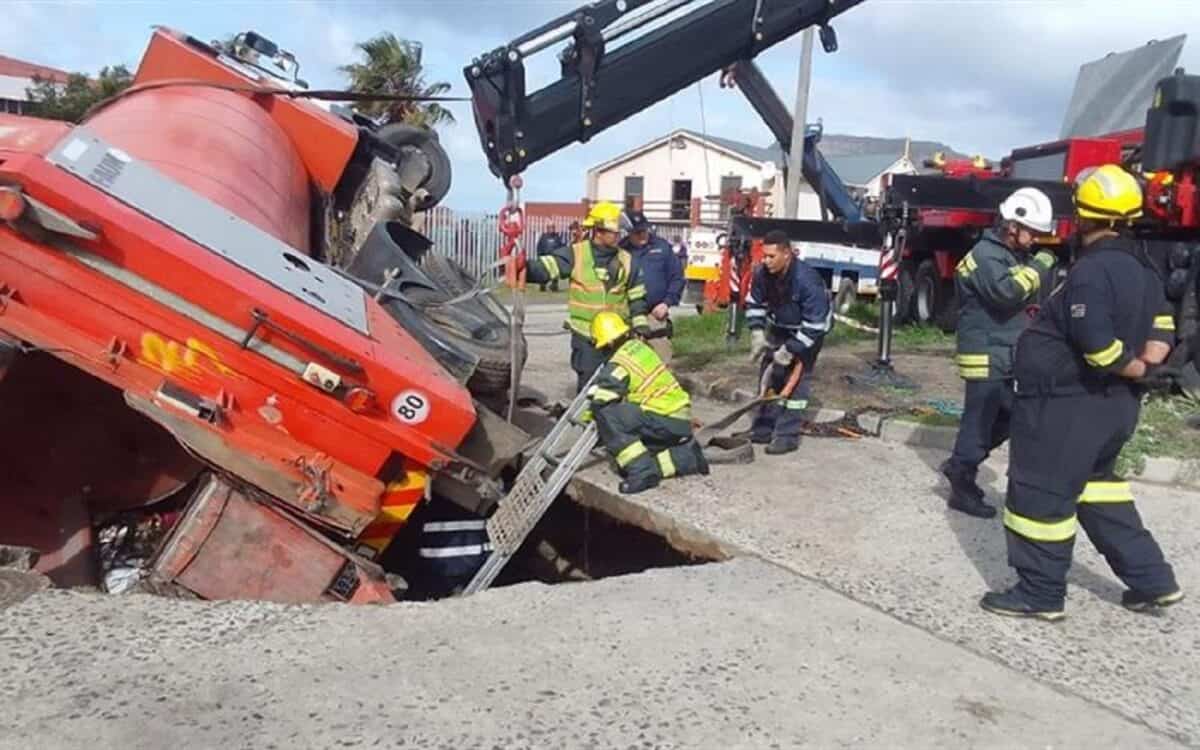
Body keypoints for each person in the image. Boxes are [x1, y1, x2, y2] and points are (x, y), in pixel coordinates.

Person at [981, 164, 1183, 621]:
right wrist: (1151, 364)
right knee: (1099, 492)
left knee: (1039, 495)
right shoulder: (1144, 268)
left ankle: (1040, 593)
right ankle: (1153, 581)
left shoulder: (1092, 271)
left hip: (1066, 407)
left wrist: (1134, 370)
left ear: (1084, 215)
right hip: (1111, 412)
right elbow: (1164, 322)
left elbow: (1097, 346)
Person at [941, 187, 1058, 519]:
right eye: (1032, 232)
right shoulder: (986, 256)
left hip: (1003, 354)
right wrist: (1041, 265)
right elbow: (1007, 293)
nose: (1035, 239)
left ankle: (962, 462)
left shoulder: (1005, 255)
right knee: (978, 424)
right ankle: (961, 483)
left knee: (1007, 419)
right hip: (986, 356)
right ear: (1011, 225)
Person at [523, 201, 650, 393]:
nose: (618, 236)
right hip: (587, 338)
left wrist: (641, 325)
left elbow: (636, 296)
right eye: (613, 232)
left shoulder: (627, 260)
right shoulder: (576, 254)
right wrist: (522, 267)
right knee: (589, 389)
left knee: (616, 385)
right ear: (598, 231)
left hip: (617, 337)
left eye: (619, 232)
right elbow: (546, 268)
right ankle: (586, 421)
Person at [585, 311, 709, 494]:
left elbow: (602, 401)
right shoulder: (637, 347)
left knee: (610, 416)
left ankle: (642, 473)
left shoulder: (618, 364)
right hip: (676, 417)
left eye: (601, 346)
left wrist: (588, 416)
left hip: (663, 417)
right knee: (625, 460)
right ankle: (687, 458)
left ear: (609, 343)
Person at [746, 229, 832, 455]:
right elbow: (754, 303)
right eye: (764, 255)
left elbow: (815, 325)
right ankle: (764, 426)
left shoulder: (806, 280)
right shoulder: (762, 274)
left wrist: (790, 350)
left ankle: (787, 436)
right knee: (770, 375)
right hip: (779, 326)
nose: (765, 261)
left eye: (771, 257)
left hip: (808, 332)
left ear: (787, 254)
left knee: (796, 382)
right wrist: (757, 333)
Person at [621, 210, 684, 362]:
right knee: (631, 364)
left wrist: (667, 303)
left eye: (644, 230)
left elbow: (677, 277)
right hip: (629, 314)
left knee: (662, 363)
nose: (642, 235)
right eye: (637, 232)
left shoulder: (662, 247)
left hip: (656, 314)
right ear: (629, 233)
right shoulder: (621, 250)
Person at [534, 225, 565, 292]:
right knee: (543, 272)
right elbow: (539, 247)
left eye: (553, 227)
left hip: (554, 258)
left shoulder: (557, 237)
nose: (552, 229)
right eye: (550, 227)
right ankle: (542, 286)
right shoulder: (543, 237)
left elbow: (561, 247)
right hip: (545, 257)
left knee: (555, 272)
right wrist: (539, 256)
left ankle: (554, 286)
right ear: (547, 228)